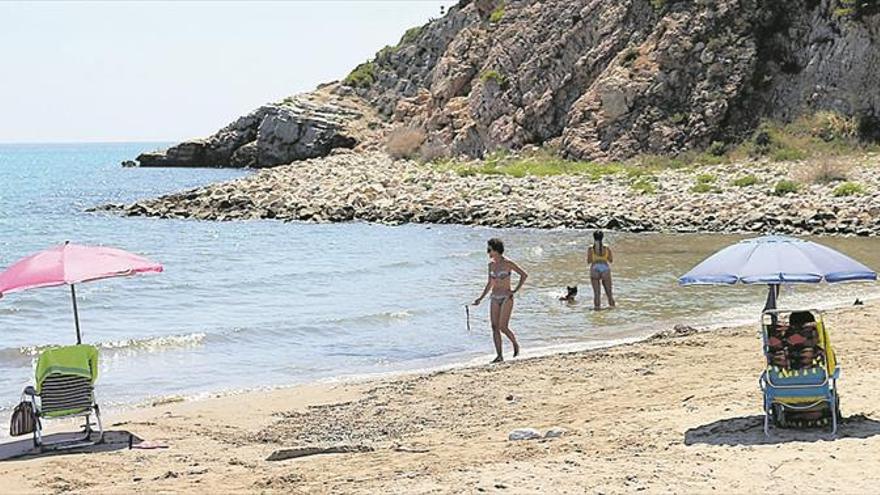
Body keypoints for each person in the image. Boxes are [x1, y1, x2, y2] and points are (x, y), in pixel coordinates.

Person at [472, 238, 526, 363]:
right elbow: (489, 283)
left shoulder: (508, 263)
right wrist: (480, 298)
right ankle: (499, 355)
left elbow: (524, 275)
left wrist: (515, 290)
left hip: (506, 297)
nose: (488, 252)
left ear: (496, 250)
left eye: (489, 249)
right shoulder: (490, 265)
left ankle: (515, 344)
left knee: (503, 327)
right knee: (494, 326)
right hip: (494, 297)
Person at [587, 230, 616, 310]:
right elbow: (611, 260)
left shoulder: (591, 248)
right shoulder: (606, 248)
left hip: (595, 269)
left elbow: (589, 261)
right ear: (602, 238)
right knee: (609, 294)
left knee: (597, 294)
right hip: (605, 268)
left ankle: (597, 311)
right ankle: (613, 310)